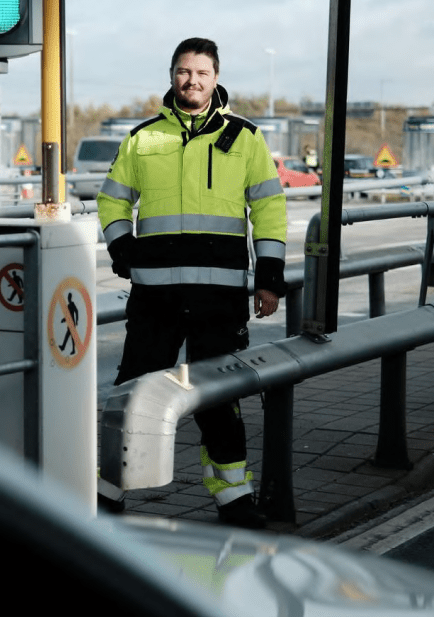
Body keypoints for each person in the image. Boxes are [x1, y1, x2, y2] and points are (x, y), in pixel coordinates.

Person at [97, 38, 287, 529]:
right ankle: (106, 490)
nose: (192, 81)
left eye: (201, 73)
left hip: (218, 295)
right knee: (134, 391)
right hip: (155, 294)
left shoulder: (246, 138)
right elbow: (112, 200)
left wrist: (268, 277)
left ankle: (234, 499)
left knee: (218, 396)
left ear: (216, 77)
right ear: (172, 75)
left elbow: (269, 207)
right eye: (183, 72)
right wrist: (122, 249)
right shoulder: (142, 139)